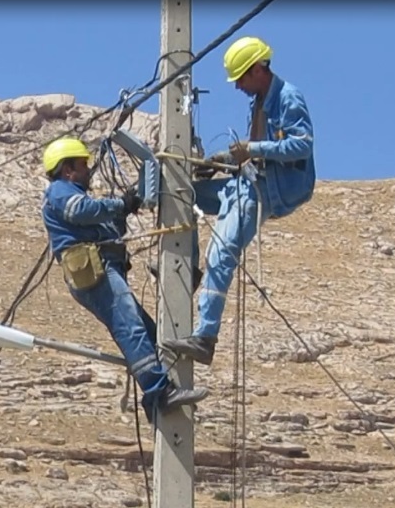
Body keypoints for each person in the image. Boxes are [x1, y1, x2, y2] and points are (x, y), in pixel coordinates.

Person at [161, 36, 317, 366]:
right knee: (181, 193)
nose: (238, 87)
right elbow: (253, 153)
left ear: (258, 69)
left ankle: (205, 338)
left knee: (220, 254)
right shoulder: (259, 102)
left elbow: (301, 146)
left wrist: (253, 150)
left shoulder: (288, 98)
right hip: (244, 184)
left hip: (263, 192)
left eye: (241, 78)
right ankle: (187, 273)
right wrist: (221, 162)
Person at [40, 136, 209, 418]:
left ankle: (157, 397)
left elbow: (100, 224)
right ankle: (160, 391)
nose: (88, 171)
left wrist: (127, 205)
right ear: (67, 170)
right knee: (130, 327)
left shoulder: (71, 192)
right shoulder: (60, 191)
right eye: (82, 165)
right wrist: (120, 205)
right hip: (97, 271)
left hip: (104, 268)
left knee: (151, 334)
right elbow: (81, 212)